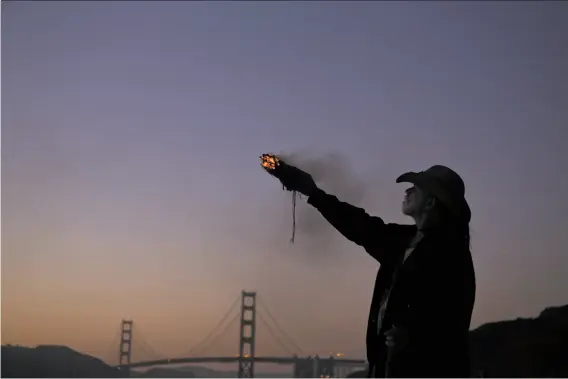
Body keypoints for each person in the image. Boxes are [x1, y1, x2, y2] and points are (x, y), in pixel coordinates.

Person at [270, 163, 476, 378]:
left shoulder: (451, 254)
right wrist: (312, 192)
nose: (408, 190)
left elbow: (452, 321)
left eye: (416, 187)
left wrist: (414, 338)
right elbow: (359, 225)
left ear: (431, 202)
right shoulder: (403, 241)